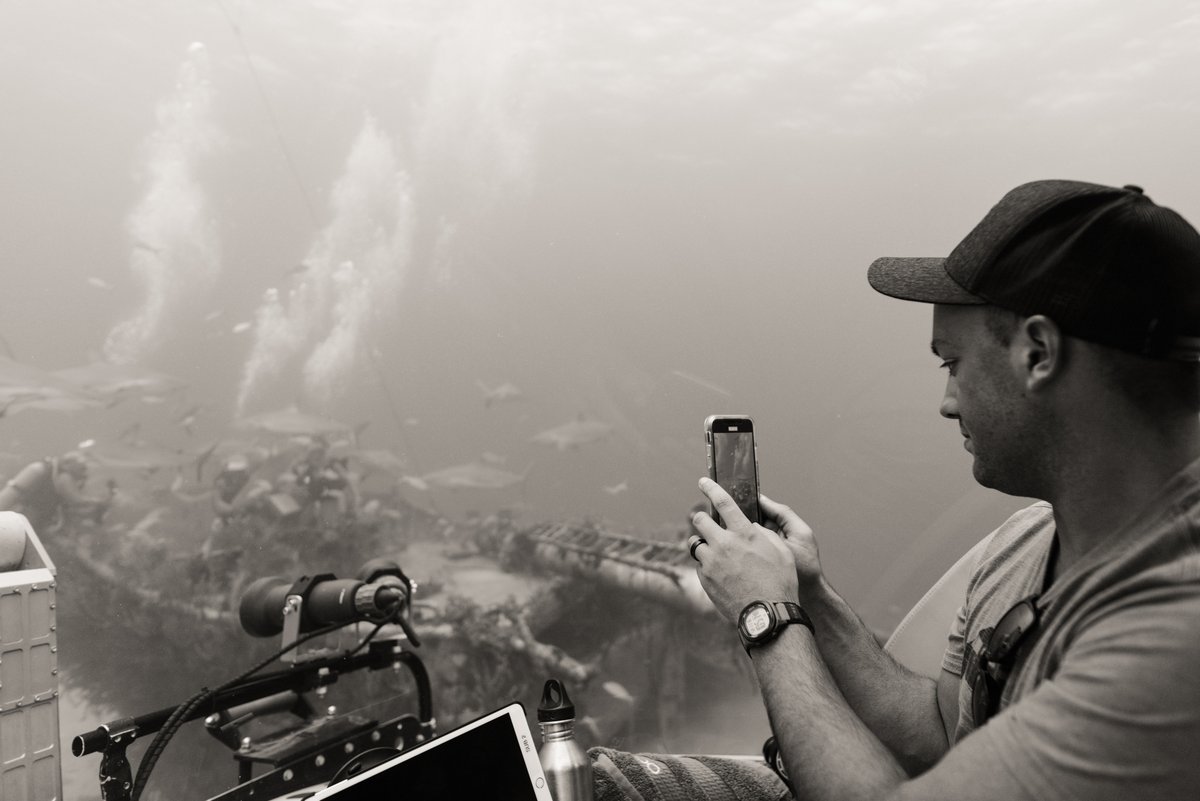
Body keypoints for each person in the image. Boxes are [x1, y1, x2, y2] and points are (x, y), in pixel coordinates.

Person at [687, 180, 1200, 800]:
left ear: (1039, 353)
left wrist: (766, 617)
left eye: (951, 363)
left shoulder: (1171, 640)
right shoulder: (1028, 540)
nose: (946, 404)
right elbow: (941, 735)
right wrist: (809, 593)